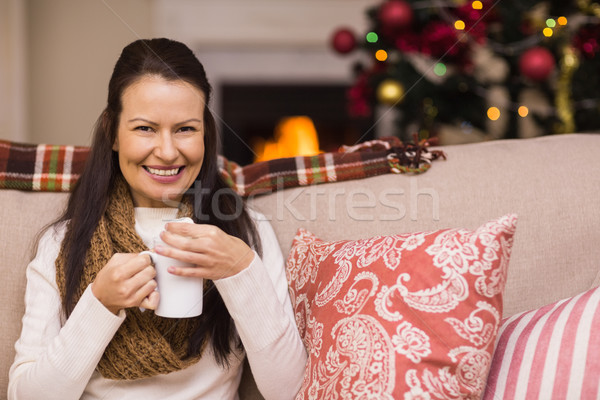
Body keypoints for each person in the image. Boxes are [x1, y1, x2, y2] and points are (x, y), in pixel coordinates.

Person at [8, 38, 307, 400]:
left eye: (185, 129)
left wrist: (241, 271)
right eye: (145, 128)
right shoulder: (64, 242)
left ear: (206, 134)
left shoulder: (245, 232)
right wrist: (99, 304)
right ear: (112, 131)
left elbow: (290, 391)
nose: (167, 152)